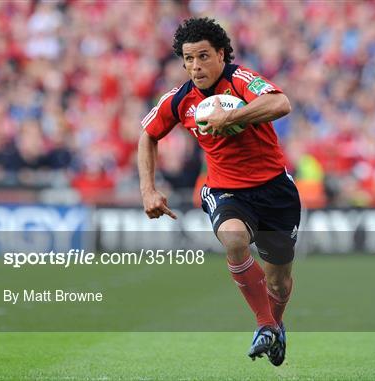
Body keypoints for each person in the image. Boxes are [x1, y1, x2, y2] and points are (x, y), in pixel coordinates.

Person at [138, 17, 301, 366]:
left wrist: (231, 117)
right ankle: (264, 325)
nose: (196, 66)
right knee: (234, 238)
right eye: (188, 59)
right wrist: (148, 190)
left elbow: (281, 104)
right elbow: (148, 135)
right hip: (226, 190)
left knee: (280, 284)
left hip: (275, 191)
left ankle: (276, 325)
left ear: (222, 54)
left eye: (203, 56)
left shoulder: (241, 80)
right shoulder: (180, 99)